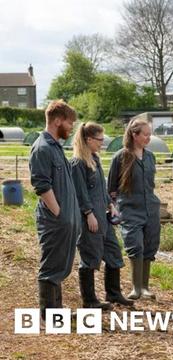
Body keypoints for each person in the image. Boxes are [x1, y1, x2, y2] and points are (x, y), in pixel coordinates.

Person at [29, 100, 82, 319]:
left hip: (65, 219)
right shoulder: (42, 148)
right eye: (70, 122)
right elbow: (41, 186)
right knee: (51, 265)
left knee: (60, 263)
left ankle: (56, 310)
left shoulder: (56, 147)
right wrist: (60, 214)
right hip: (55, 220)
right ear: (58, 120)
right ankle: (48, 314)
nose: (72, 127)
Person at [71, 122, 133, 308]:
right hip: (89, 219)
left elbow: (100, 188)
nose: (102, 143)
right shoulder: (77, 164)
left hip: (102, 217)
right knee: (90, 257)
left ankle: (113, 294)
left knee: (113, 253)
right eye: (99, 140)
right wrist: (88, 213)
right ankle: (89, 301)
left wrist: (110, 205)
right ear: (88, 139)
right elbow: (80, 193)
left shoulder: (95, 159)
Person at [107, 119, 161, 300]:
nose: (148, 137)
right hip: (129, 209)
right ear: (134, 135)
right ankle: (135, 288)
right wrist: (112, 207)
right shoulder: (121, 157)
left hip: (151, 209)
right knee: (135, 245)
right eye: (145, 134)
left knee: (150, 246)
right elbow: (111, 187)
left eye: (149, 134)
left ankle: (145, 287)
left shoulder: (150, 156)